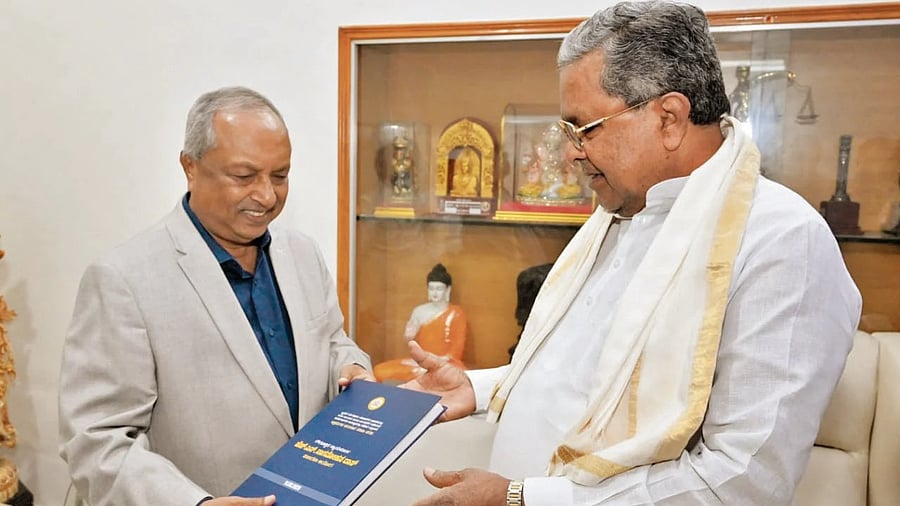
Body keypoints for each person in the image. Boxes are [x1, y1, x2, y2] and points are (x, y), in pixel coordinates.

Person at [402, 2, 861, 505]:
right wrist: (480, 387)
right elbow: (590, 373)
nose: (571, 153)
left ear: (669, 118)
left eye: (585, 128)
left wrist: (522, 499)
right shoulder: (623, 207)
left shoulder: (781, 240)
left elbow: (742, 481)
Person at [58, 86, 373, 506]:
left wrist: (350, 367)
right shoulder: (122, 279)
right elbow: (98, 441)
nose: (266, 196)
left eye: (280, 176)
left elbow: (332, 341)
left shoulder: (302, 253)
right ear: (190, 166)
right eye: (244, 176)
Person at [374, 263, 466, 383]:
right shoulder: (419, 311)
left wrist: (435, 361)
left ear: (448, 290)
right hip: (421, 362)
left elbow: (456, 352)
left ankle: (428, 376)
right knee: (379, 370)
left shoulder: (456, 313)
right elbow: (412, 341)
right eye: (431, 288)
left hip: (445, 364)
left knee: (459, 377)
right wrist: (409, 337)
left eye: (439, 289)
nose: (435, 293)